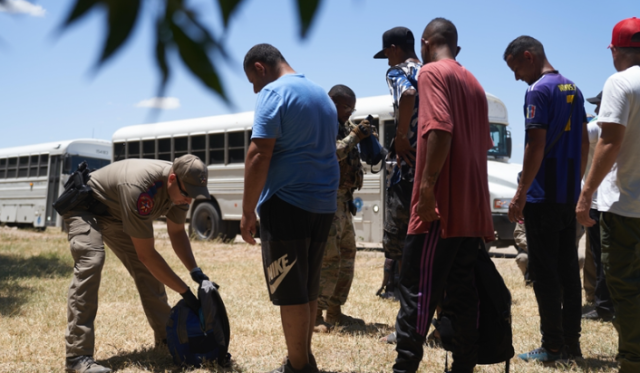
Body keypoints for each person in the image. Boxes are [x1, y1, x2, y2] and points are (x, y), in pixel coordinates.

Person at [393, 18, 495, 373]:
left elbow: (439, 129)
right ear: (457, 47)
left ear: (424, 43)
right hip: (470, 208)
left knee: (415, 291)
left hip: (441, 208)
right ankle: (463, 367)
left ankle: (404, 367)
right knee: (463, 292)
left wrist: (425, 188)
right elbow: (482, 146)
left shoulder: (431, 73)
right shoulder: (474, 83)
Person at [240, 43, 339, 373]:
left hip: (287, 202)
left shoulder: (274, 93)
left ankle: (299, 368)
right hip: (323, 204)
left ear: (259, 67)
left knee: (290, 290)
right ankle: (302, 357)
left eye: (254, 82)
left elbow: (259, 154)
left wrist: (246, 211)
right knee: (307, 286)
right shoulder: (322, 95)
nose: (256, 90)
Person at [64, 154, 212, 373]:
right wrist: (186, 294)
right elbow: (147, 254)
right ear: (172, 179)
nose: (189, 200)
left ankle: (166, 340)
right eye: (187, 193)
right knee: (92, 261)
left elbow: (177, 232)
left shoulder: (180, 191)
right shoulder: (141, 188)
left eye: (194, 195)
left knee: (149, 272)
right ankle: (77, 357)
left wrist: (196, 272)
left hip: (116, 214)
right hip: (85, 206)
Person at [504, 35, 589, 363]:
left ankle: (552, 347)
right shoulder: (573, 89)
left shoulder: (537, 90)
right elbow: (583, 143)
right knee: (569, 272)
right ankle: (572, 346)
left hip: (542, 198)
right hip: (567, 196)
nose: (516, 77)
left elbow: (534, 145)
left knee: (545, 275)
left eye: (515, 68)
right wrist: (576, 184)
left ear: (528, 56)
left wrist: (521, 193)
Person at [576, 17, 640, 373]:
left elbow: (610, 141)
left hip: (625, 205)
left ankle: (633, 360)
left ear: (616, 51)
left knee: (623, 286)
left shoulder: (620, 82)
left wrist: (586, 194)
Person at [314, 85, 370, 333]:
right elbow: (329, 153)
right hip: (326, 199)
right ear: (333, 102)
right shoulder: (320, 124)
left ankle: (335, 312)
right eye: (347, 107)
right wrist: (355, 137)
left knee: (347, 255)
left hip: (344, 201)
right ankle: (315, 316)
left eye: (352, 108)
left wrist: (368, 140)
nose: (350, 113)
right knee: (329, 258)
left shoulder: (346, 127)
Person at [373, 27, 422, 299]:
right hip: (429, 166)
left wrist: (401, 136)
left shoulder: (398, 72)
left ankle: (405, 300)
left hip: (406, 171)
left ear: (393, 49)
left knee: (399, 244)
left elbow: (407, 95)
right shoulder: (430, 71)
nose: (388, 61)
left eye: (387, 55)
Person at [580, 92, 614, 322]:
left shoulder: (595, 128)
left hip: (595, 201)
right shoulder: (623, 128)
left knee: (599, 257)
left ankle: (602, 307)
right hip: (614, 201)